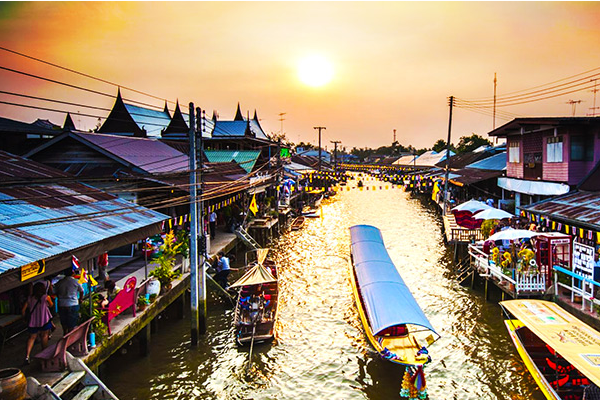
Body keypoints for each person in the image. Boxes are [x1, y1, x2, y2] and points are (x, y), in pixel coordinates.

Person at [22, 282, 54, 364]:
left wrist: (24, 318)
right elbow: (51, 305)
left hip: (33, 321)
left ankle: (27, 356)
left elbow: (23, 310)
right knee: (44, 336)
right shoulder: (46, 297)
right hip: (44, 320)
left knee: (31, 338)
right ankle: (44, 353)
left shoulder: (30, 298)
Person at [55, 268, 84, 334]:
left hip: (62, 304)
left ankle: (65, 334)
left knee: (64, 322)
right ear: (73, 273)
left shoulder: (60, 282)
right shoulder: (76, 282)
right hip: (73, 304)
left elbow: (55, 292)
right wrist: (80, 299)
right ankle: (70, 337)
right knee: (72, 323)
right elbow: (81, 291)